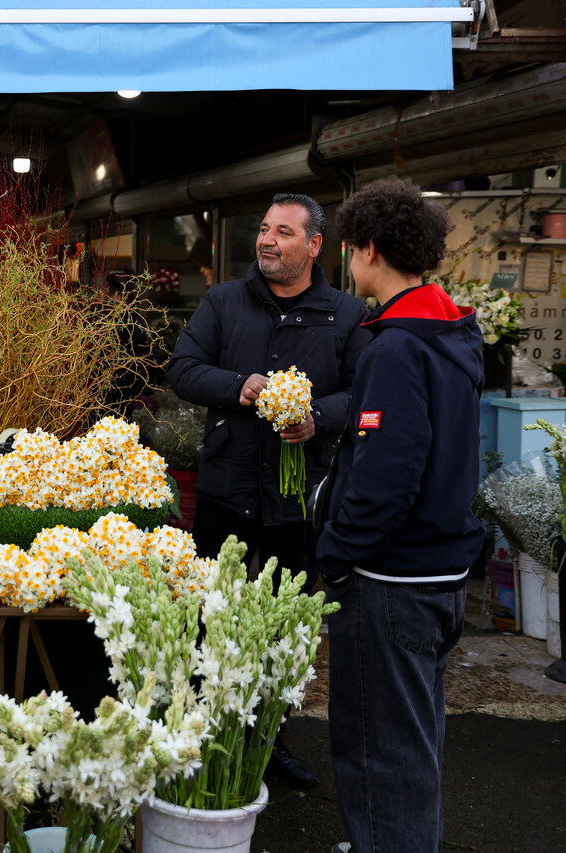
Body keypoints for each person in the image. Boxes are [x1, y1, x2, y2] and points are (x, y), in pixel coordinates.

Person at [165, 192, 371, 789]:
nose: (266, 240)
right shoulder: (225, 301)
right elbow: (182, 367)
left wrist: (318, 419)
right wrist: (239, 386)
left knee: (284, 627)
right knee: (210, 614)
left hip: (298, 498)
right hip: (226, 487)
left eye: (283, 232)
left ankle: (268, 740)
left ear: (314, 246)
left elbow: (362, 394)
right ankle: (202, 732)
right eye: (263, 229)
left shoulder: (345, 314)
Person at [316, 178, 483, 853]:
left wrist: (333, 551)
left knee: (379, 751)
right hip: (440, 574)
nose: (347, 263)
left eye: (349, 249)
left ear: (369, 251)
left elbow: (386, 478)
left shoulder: (396, 347)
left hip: (390, 582)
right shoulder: (452, 336)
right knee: (413, 745)